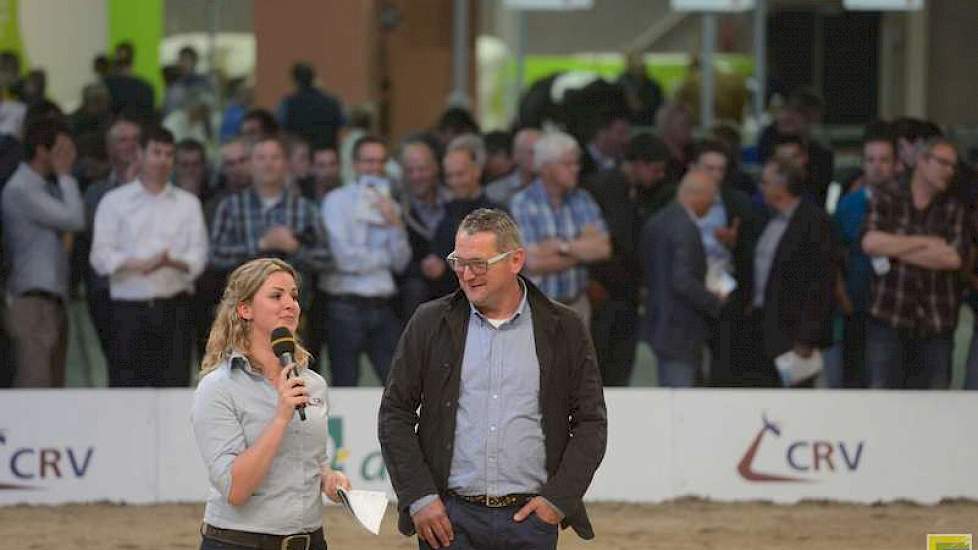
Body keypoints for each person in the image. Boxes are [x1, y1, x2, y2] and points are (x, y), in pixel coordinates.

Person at [378, 208, 607, 550]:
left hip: (531, 521)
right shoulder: (428, 322)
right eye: (459, 262)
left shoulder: (565, 327)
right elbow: (395, 413)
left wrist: (556, 503)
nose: (467, 274)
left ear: (515, 261)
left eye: (479, 264)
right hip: (447, 521)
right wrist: (420, 498)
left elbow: (591, 422)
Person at [192, 258, 350, 550]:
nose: (290, 303)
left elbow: (313, 459)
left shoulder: (313, 383)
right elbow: (236, 490)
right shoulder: (218, 388)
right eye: (276, 295)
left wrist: (329, 478)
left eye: (294, 295)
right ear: (245, 309)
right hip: (239, 543)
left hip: (311, 541)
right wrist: (280, 417)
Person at [90, 126, 208, 387]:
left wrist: (170, 261)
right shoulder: (114, 201)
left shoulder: (188, 203)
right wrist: (139, 264)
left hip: (174, 307)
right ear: (140, 154)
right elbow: (100, 256)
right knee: (126, 387)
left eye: (168, 154)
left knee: (174, 385)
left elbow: (198, 257)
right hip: (127, 309)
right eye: (156, 152)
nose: (162, 160)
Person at [861, 137, 966, 389]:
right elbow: (870, 243)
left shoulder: (953, 207)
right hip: (889, 317)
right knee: (881, 401)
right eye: (943, 163)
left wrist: (895, 248)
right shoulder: (889, 195)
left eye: (953, 166)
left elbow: (952, 258)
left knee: (934, 405)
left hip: (936, 322)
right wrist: (927, 242)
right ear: (921, 162)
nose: (949, 171)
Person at [318, 135, 410, 386]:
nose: (375, 168)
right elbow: (344, 259)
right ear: (355, 165)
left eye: (380, 162)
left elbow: (401, 262)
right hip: (344, 306)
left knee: (398, 386)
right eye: (368, 161)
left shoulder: (391, 205)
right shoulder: (336, 201)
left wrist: (395, 225)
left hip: (382, 305)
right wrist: (383, 258)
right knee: (344, 385)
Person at [738, 158, 834, 387]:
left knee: (795, 405)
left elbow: (820, 284)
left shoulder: (814, 222)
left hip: (793, 334)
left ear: (781, 186)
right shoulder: (763, 219)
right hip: (760, 327)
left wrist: (806, 338)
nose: (760, 188)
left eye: (765, 182)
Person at [2, 118, 83, 387]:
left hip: (54, 301)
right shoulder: (21, 188)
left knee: (55, 388)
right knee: (35, 385)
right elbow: (74, 218)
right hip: (32, 302)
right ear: (41, 150)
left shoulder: (46, 188)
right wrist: (66, 175)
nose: (69, 157)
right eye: (62, 150)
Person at [510, 131, 611, 328]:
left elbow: (603, 249)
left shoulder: (583, 200)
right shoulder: (523, 203)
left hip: (578, 305)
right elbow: (533, 263)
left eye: (577, 163)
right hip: (538, 308)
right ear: (546, 168)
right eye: (568, 164)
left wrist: (561, 247)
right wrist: (581, 251)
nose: (576, 169)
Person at [641, 170, 724, 387]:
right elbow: (683, 281)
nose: (713, 204)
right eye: (712, 198)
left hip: (660, 323)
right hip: (681, 331)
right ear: (698, 195)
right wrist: (715, 302)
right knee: (680, 403)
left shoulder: (658, 220)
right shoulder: (685, 227)